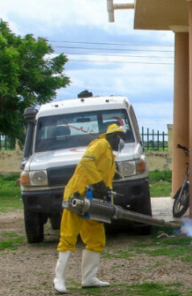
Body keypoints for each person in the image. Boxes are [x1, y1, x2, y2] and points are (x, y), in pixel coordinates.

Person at [53, 124, 126, 293]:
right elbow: (86, 161)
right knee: (68, 236)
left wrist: (107, 198)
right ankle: (59, 279)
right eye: (122, 138)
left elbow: (105, 181)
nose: (123, 143)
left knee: (96, 238)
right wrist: (98, 183)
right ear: (114, 137)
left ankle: (89, 278)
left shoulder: (110, 155)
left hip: (93, 200)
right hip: (77, 196)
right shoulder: (101, 145)